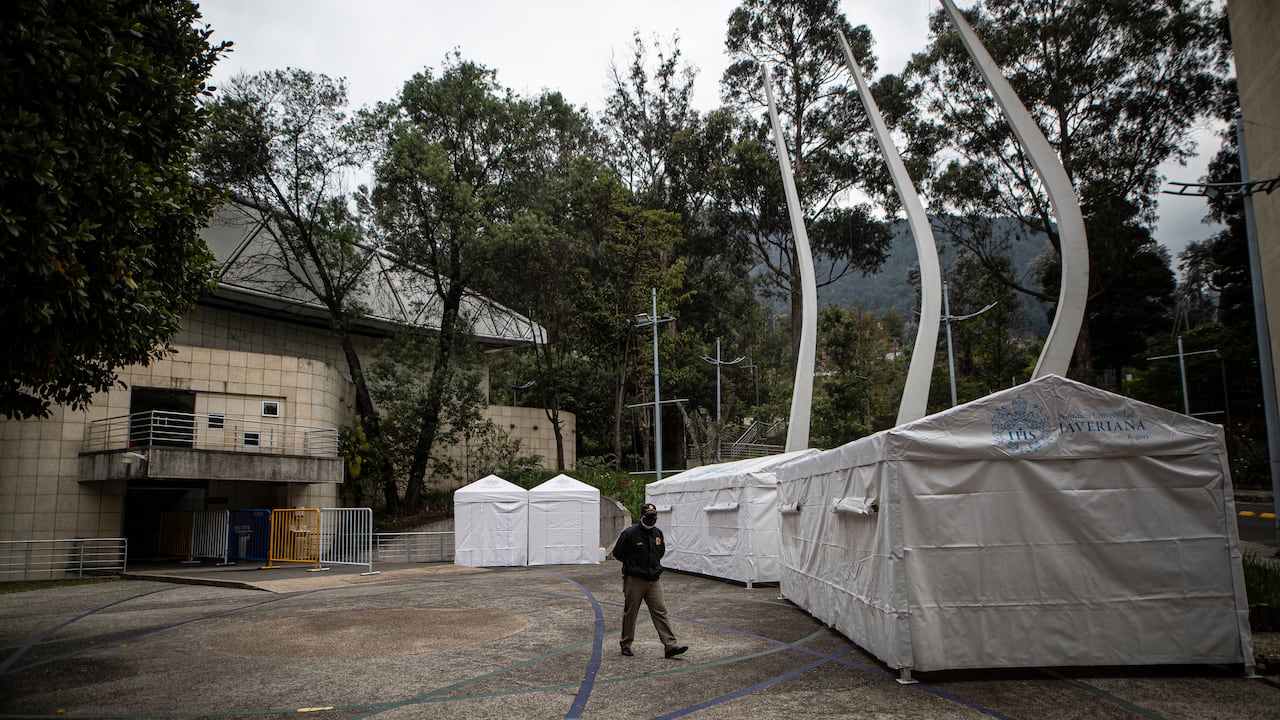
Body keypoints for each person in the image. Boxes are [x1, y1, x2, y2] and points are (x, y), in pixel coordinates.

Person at [611, 502, 688, 658]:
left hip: (654, 580)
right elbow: (618, 553)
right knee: (631, 613)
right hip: (635, 580)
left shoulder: (657, 533)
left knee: (660, 611)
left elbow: (660, 552)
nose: (651, 520)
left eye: (653, 517)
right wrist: (633, 565)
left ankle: (670, 646)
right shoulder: (630, 533)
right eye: (648, 517)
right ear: (641, 516)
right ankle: (626, 644)